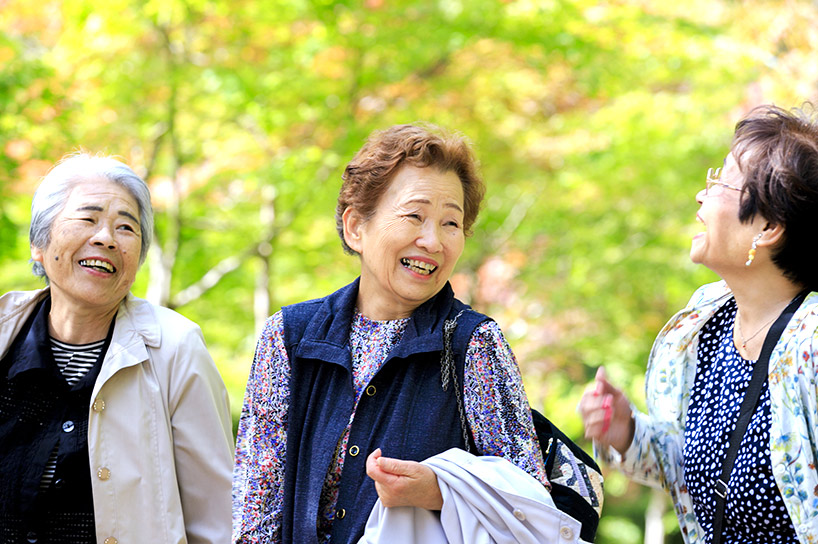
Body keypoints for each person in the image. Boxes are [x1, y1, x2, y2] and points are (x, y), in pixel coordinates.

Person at [232, 124, 567, 544]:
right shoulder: (289, 336)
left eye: (451, 222)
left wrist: (440, 490)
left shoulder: (473, 342)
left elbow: (530, 506)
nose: (433, 241)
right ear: (356, 227)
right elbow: (256, 509)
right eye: (414, 215)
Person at [579, 104, 818, 543]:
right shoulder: (703, 325)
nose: (700, 195)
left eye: (722, 181)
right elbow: (691, 468)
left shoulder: (812, 343)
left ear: (768, 227)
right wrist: (627, 431)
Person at [0, 153, 234, 543]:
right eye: (88, 219)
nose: (106, 237)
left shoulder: (174, 349)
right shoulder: (5, 333)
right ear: (39, 245)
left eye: (126, 227)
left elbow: (217, 520)